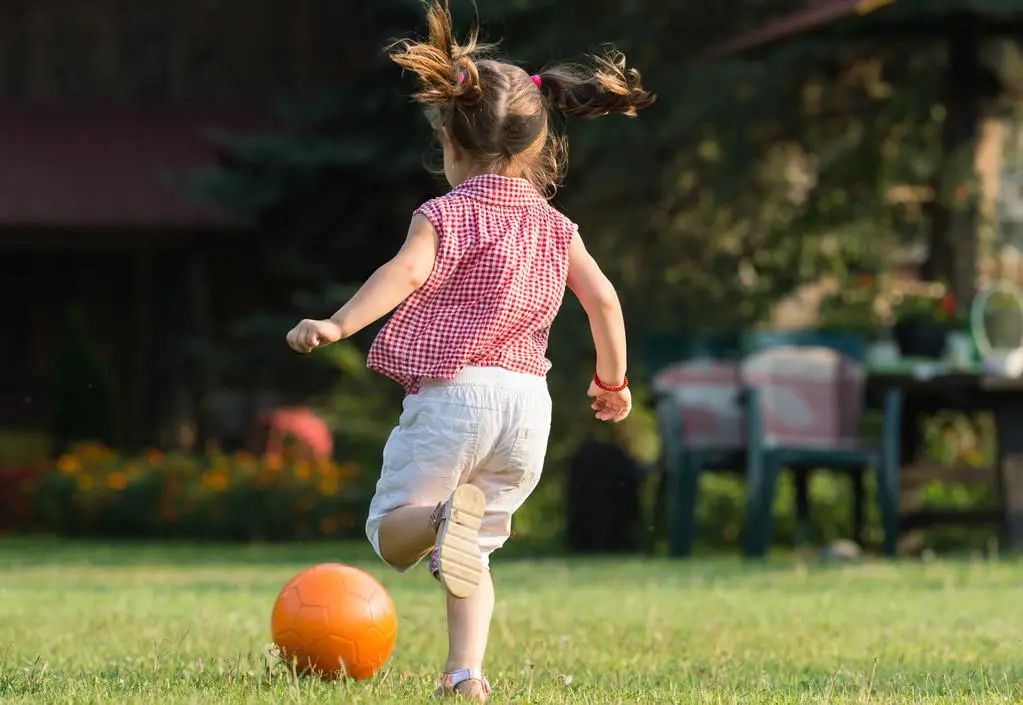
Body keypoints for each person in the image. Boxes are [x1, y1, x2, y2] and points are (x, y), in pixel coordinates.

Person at [286, 1, 652, 699]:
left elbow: (406, 273)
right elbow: (603, 300)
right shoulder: (555, 224)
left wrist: (338, 322)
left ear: (452, 146)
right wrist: (613, 381)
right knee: (471, 551)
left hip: (455, 395)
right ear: (539, 148)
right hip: (526, 407)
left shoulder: (445, 212)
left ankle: (441, 523)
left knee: (393, 531)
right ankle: (464, 674)